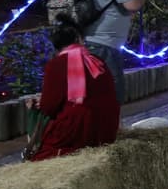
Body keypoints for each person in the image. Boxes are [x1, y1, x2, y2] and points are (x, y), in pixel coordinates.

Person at [24, 21, 120, 161]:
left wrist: (39, 104)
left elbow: (49, 107)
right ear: (79, 39)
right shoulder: (97, 61)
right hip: (107, 128)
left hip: (79, 130)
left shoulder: (56, 64)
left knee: (42, 154)